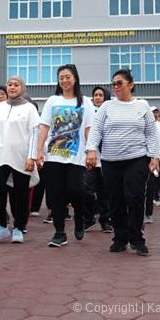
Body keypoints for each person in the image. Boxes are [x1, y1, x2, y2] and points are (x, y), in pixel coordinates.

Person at [85, 69, 160, 256]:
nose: (116, 87)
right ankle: (120, 237)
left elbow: (151, 133)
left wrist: (155, 156)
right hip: (111, 161)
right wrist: (91, 150)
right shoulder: (106, 107)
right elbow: (96, 130)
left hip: (137, 159)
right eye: (114, 84)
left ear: (131, 85)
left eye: (120, 83)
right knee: (116, 200)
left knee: (135, 196)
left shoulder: (142, 106)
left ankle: (137, 238)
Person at [35, 64, 94, 247]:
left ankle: (79, 217)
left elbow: (89, 129)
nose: (64, 80)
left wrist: (91, 151)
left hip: (76, 157)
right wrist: (38, 151)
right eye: (61, 77)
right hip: (53, 156)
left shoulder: (85, 102)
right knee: (56, 195)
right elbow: (44, 126)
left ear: (75, 78)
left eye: (67, 77)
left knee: (75, 190)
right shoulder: (52, 101)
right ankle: (59, 233)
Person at [0, 76, 39, 244]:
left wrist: (31, 156)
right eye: (9, 84)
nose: (12, 87)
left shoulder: (29, 108)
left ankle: (18, 227)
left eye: (16, 85)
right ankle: (1, 226)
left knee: (21, 192)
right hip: (0, 155)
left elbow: (34, 134)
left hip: (21, 156)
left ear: (22, 88)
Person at [82, 86, 113, 233]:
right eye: (95, 95)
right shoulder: (89, 112)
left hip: (107, 157)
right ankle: (88, 218)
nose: (98, 97)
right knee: (86, 189)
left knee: (105, 192)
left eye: (101, 95)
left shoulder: (111, 112)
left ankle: (105, 220)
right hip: (91, 157)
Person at [144, 106, 160, 224]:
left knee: (152, 184)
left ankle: (148, 213)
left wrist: (158, 156)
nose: (154, 114)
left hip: (156, 157)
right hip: (141, 158)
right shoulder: (141, 124)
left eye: (156, 112)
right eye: (152, 112)